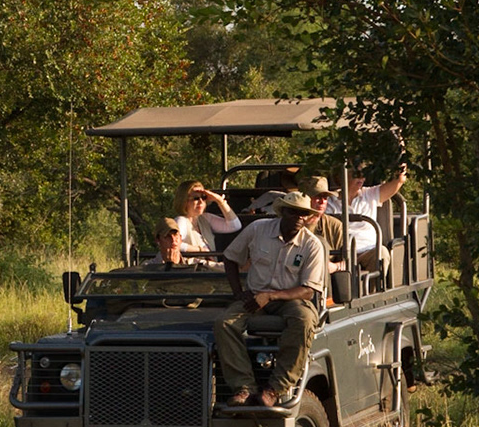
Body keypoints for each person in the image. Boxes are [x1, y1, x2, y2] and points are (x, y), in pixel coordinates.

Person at [214, 191, 327, 408]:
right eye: (294, 212)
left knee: (304, 320)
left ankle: (275, 389)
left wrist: (271, 296)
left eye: (304, 214)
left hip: (290, 300)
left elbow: (307, 290)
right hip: (254, 297)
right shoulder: (258, 229)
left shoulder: (312, 245)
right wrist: (238, 292)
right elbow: (230, 257)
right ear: (282, 212)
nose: (299, 218)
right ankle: (244, 388)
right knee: (224, 324)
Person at [325, 162, 408, 269]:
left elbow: (399, 180)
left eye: (363, 173)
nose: (361, 177)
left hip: (367, 251)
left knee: (381, 254)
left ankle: (372, 284)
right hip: (339, 252)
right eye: (356, 174)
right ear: (341, 176)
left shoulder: (370, 195)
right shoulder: (329, 202)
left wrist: (401, 150)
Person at [171, 179, 240, 253]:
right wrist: (201, 250)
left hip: (210, 264)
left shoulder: (206, 218)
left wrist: (220, 201)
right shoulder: (181, 221)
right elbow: (174, 243)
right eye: (196, 198)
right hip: (192, 264)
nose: (201, 201)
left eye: (204, 197)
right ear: (184, 201)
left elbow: (235, 226)